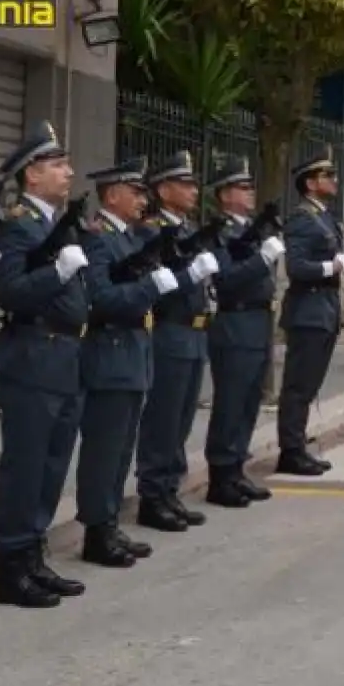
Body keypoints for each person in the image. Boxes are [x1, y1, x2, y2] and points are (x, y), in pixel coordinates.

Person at [0, 122, 90, 608]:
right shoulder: (18, 225)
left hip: (63, 356)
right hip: (31, 354)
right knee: (26, 466)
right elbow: (12, 292)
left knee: (51, 465)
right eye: (57, 164)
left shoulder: (52, 223)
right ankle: (11, 566)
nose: (69, 172)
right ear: (32, 174)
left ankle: (33, 555)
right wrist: (59, 270)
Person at [73, 156, 176, 568]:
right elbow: (102, 299)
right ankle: (96, 530)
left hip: (134, 353)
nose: (142, 199)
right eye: (135, 192)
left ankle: (110, 522)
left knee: (121, 449)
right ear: (112, 195)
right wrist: (149, 288)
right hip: (110, 352)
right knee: (104, 448)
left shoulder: (132, 239)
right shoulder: (97, 239)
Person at [134, 151, 224, 531]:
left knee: (183, 417)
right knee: (163, 417)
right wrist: (191, 276)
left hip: (195, 332)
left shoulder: (188, 231)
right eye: (184, 183)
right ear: (163, 189)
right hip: (170, 330)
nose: (193, 190)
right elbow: (161, 289)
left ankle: (170, 488)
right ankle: (152, 495)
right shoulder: (151, 231)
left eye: (192, 183)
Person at [204, 156, 287, 506]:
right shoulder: (218, 233)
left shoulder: (249, 229)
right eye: (242, 186)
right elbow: (226, 281)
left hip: (257, 322)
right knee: (231, 401)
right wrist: (262, 259)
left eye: (251, 185)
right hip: (234, 322)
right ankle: (220, 476)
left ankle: (237, 468)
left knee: (250, 400)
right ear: (224, 195)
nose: (250, 192)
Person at [275, 150, 344, 476]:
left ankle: (298, 445)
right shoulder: (302, 219)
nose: (334, 181)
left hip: (324, 310)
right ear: (310, 183)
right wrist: (331, 266)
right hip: (308, 310)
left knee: (309, 385)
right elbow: (296, 266)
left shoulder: (323, 217)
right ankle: (290, 451)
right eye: (327, 176)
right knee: (297, 386)